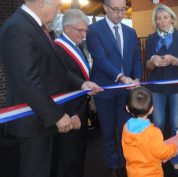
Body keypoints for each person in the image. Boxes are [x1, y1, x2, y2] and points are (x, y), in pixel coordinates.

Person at [0, 0, 102, 177]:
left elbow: (56, 71)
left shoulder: (36, 27)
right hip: (33, 122)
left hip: (44, 120)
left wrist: (81, 84)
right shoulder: (17, 28)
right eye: (56, 6)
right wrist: (56, 115)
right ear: (41, 3)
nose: (57, 12)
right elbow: (28, 81)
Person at [86, 0, 143, 176]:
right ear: (105, 8)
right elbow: (100, 59)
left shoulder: (131, 32)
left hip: (126, 91)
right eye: (116, 10)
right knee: (109, 130)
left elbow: (136, 59)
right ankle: (113, 166)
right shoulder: (94, 30)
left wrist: (137, 78)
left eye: (123, 10)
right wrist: (121, 77)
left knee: (125, 129)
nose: (120, 14)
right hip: (104, 90)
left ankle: (126, 161)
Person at [145, 4, 178, 174]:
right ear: (155, 21)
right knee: (158, 123)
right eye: (158, 18)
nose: (162, 21)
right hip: (157, 86)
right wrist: (153, 60)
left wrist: (174, 60)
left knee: (176, 124)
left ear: (172, 18)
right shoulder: (151, 38)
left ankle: (176, 157)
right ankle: (158, 154)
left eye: (165, 17)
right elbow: (147, 65)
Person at [52, 9, 92, 177]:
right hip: (70, 112)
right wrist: (71, 112)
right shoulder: (57, 49)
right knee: (69, 157)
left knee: (78, 153)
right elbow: (57, 84)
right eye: (80, 30)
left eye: (85, 31)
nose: (84, 35)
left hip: (81, 107)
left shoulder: (77, 46)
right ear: (67, 28)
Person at [121, 86, 178, 177]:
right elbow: (162, 153)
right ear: (151, 109)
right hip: (152, 174)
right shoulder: (153, 133)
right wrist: (175, 147)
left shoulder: (126, 128)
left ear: (127, 108)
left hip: (132, 173)